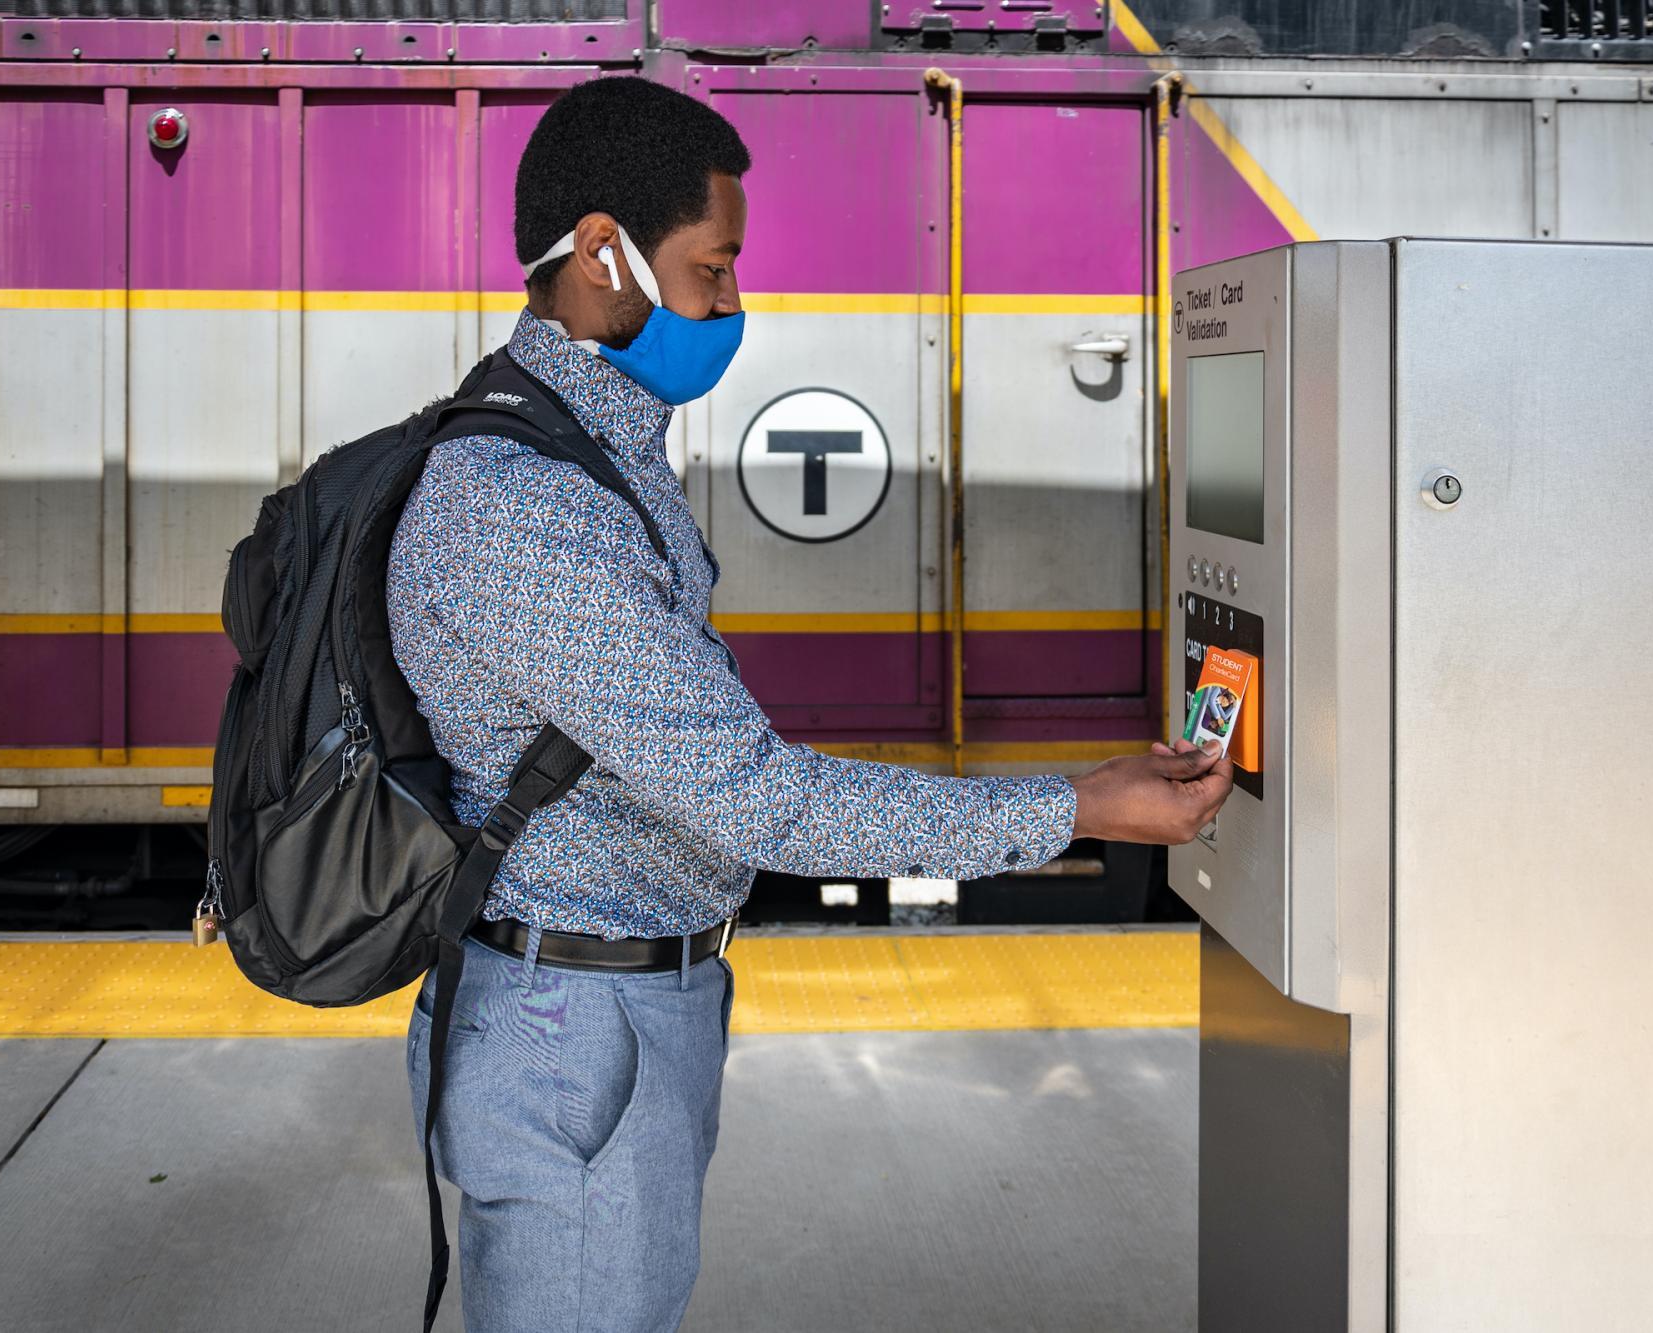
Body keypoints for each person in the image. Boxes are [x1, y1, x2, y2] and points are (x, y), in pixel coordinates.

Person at [385, 75, 1232, 1333]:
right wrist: (1074, 808)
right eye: (712, 267)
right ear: (604, 254)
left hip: (614, 1009)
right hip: (573, 1030)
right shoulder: (529, 505)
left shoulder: (590, 452)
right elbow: (755, 800)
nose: (732, 304)